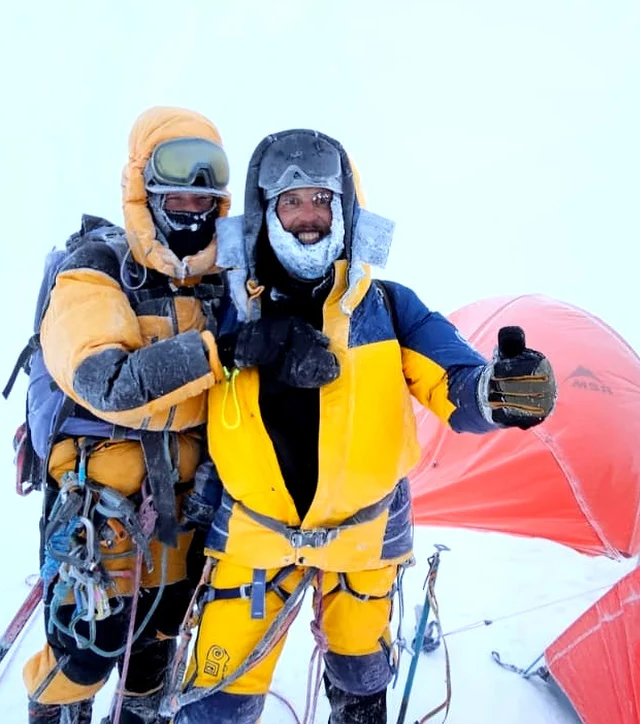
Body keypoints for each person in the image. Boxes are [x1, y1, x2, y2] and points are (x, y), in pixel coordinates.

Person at [168, 129, 558, 724]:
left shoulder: (390, 307)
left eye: (321, 200)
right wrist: (236, 345)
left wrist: (498, 393)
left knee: (361, 691)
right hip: (252, 537)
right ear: (266, 211)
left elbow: (455, 382)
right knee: (217, 704)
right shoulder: (225, 308)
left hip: (364, 540)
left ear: (344, 208)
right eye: (291, 201)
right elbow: (165, 382)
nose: (308, 216)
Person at [20, 106, 234, 724]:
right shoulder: (95, 269)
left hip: (187, 512)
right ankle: (54, 709)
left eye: (206, 189)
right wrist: (217, 356)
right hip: (98, 514)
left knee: (157, 651)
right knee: (85, 654)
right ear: (144, 183)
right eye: (177, 185)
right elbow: (107, 381)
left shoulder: (225, 284)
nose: (192, 202)